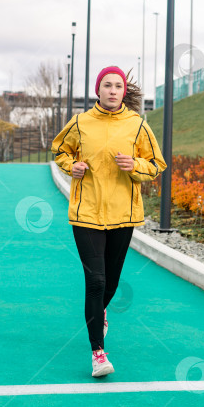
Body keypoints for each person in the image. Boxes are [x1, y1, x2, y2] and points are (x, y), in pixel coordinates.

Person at [50, 65, 167, 378]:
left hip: (122, 215)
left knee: (111, 282)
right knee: (96, 281)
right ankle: (98, 353)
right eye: (107, 85)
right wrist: (71, 166)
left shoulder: (137, 126)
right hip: (86, 214)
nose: (113, 91)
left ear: (123, 92)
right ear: (98, 90)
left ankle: (100, 311)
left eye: (118, 86)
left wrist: (135, 165)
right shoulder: (80, 123)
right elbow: (59, 151)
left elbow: (157, 165)